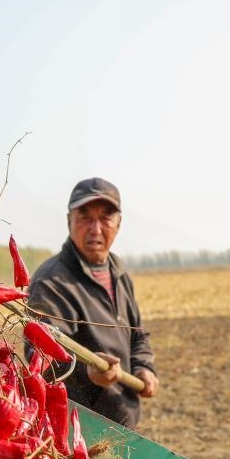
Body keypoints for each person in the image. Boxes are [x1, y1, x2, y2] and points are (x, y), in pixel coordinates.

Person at [26, 177, 158, 429]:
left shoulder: (118, 271)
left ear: (119, 224)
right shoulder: (52, 282)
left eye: (105, 218)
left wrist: (144, 367)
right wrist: (87, 373)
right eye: (85, 217)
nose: (96, 229)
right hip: (78, 431)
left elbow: (137, 335)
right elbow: (41, 361)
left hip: (123, 425)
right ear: (69, 221)